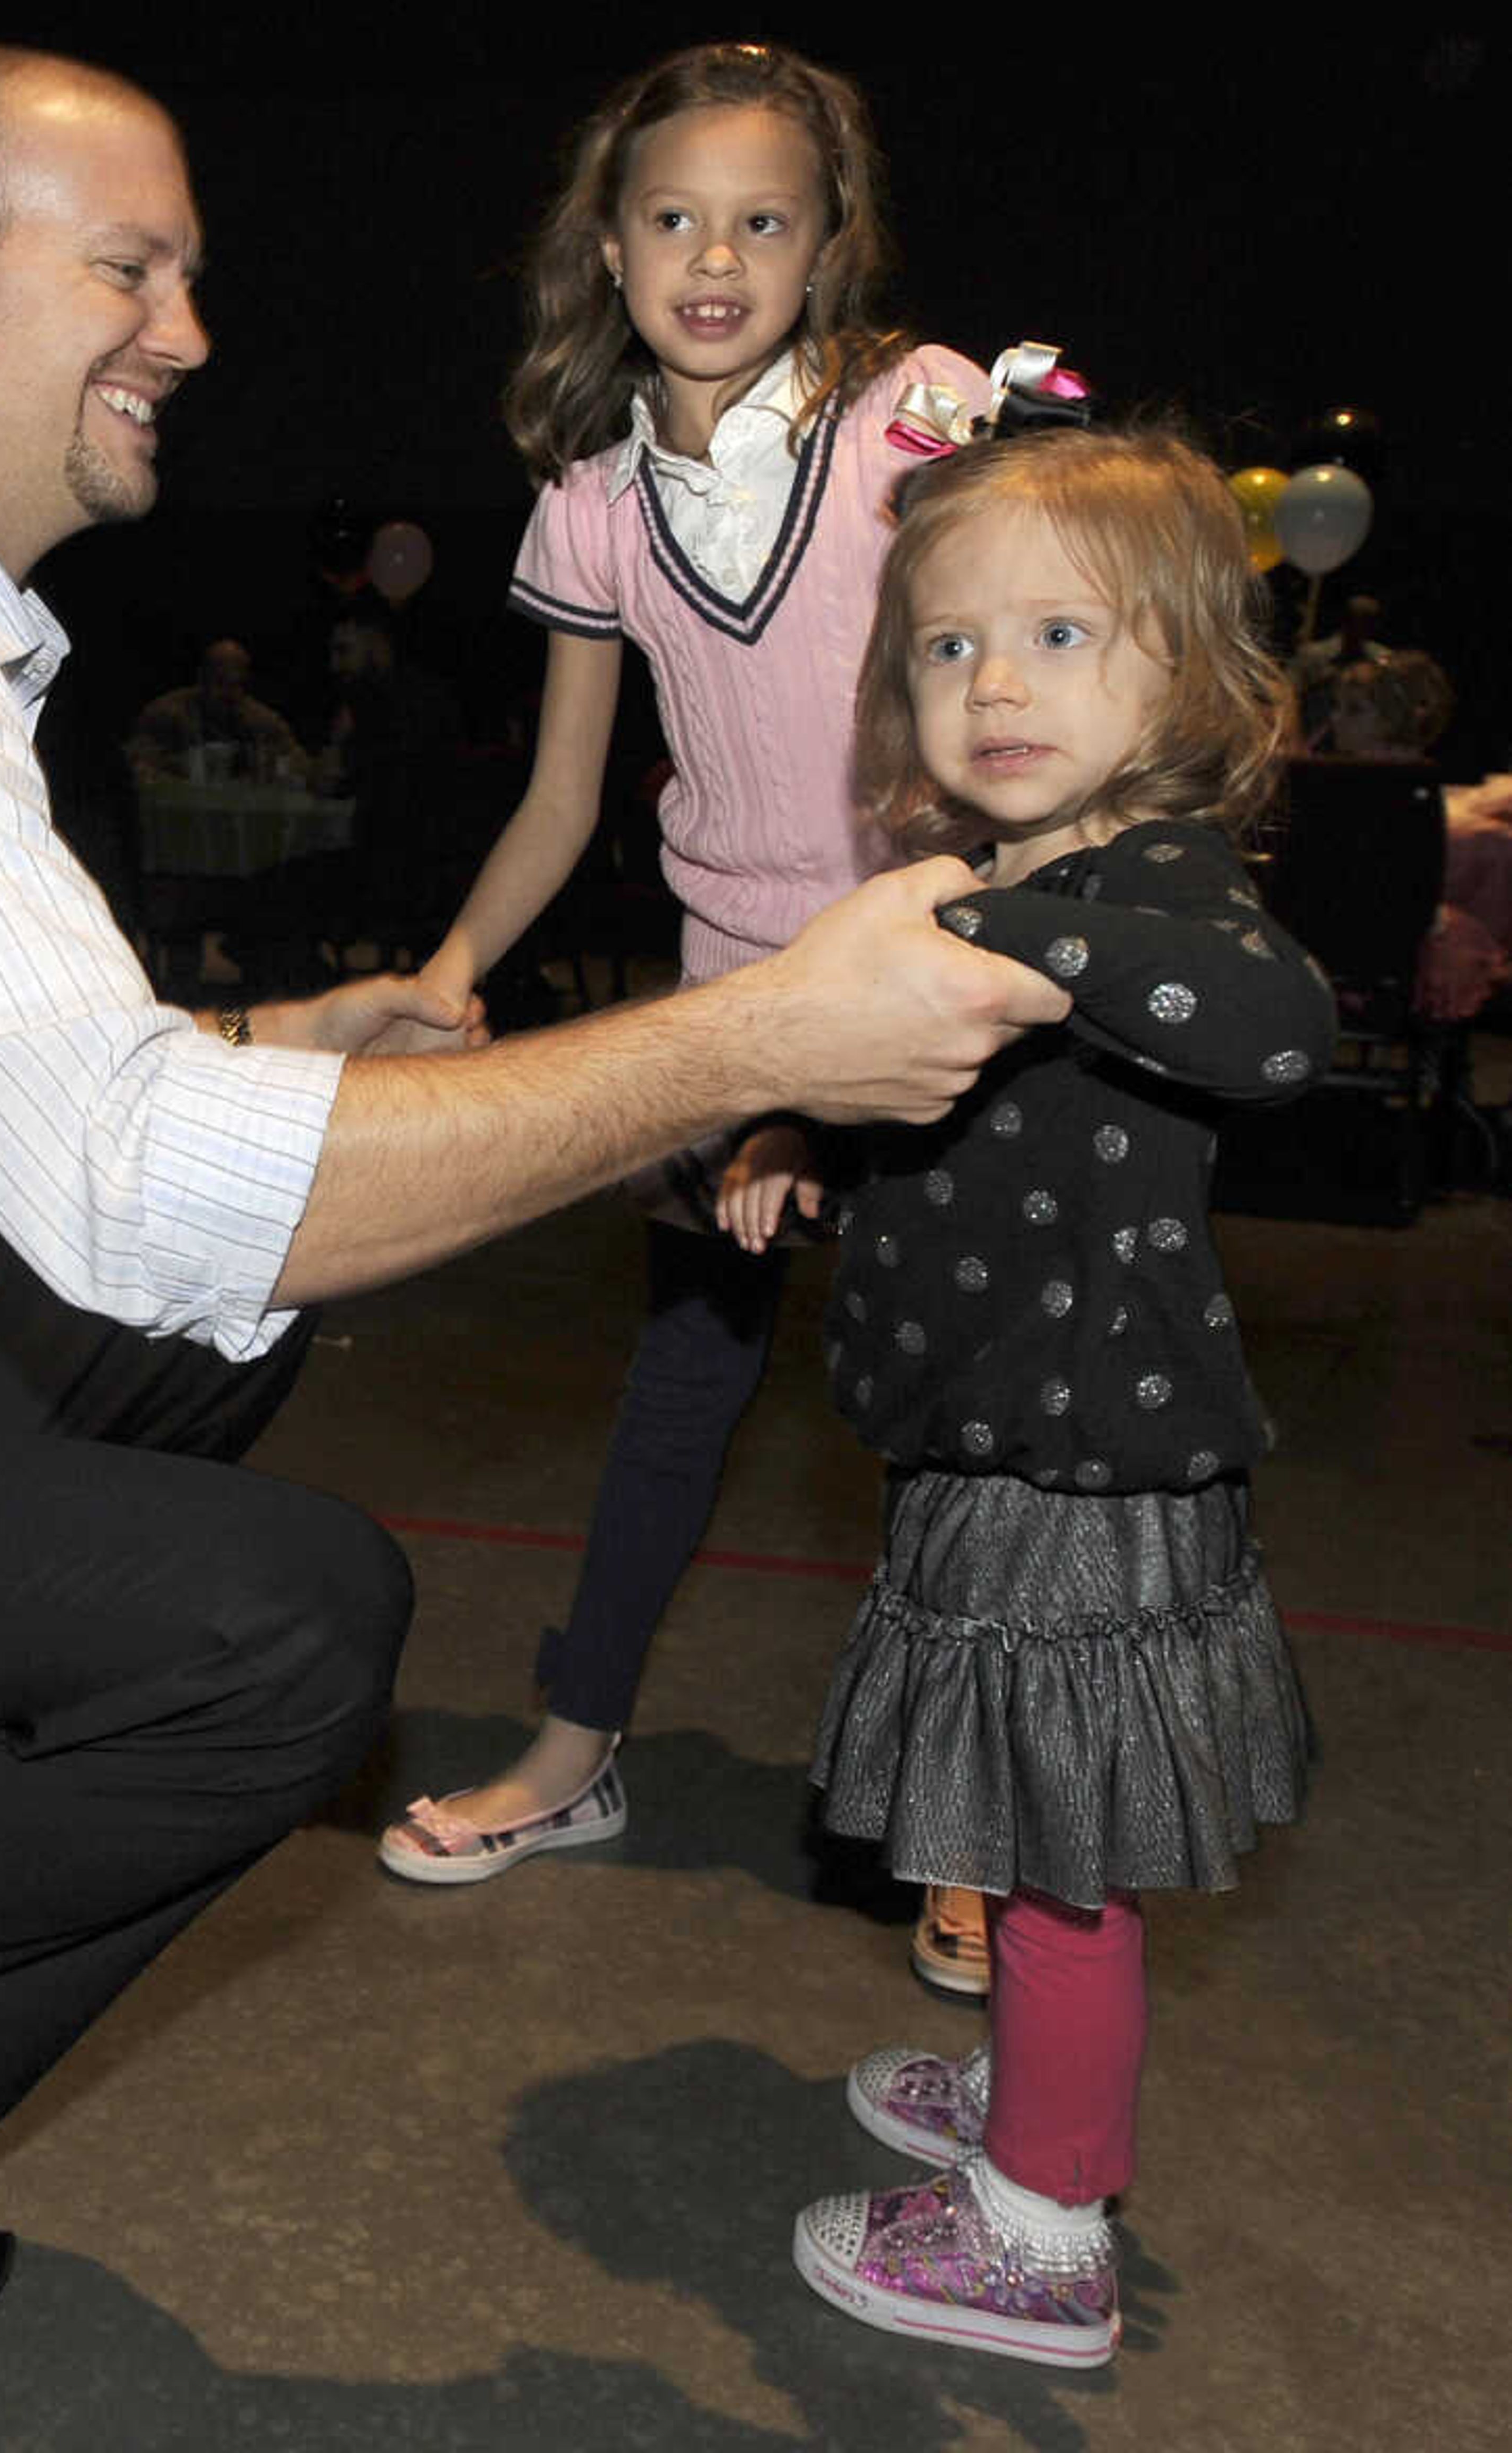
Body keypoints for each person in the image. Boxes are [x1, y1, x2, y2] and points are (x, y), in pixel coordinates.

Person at [0, 45, 1065, 2328]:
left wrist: (264, 1040)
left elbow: (7, 1084)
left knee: (211, 1328)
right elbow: (144, 1191)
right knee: (282, 1621)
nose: (196, 333)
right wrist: (748, 1043)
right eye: (131, 268)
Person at [374, 43, 993, 1974]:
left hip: (941, 967)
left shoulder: (918, 421)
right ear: (612, 246)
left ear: (828, 250)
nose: (712, 254)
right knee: (682, 1390)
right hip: (740, 998)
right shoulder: (590, 506)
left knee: (965, 1424)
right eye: (671, 217)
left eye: (761, 219)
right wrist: (451, 973)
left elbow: (1021, 719)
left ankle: (982, 1818)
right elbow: (566, 800)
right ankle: (575, 1748)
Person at [765, 428, 1332, 2369]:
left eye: (1061, 632)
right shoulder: (980, 880)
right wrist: (795, 1134)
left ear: (1175, 672)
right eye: (948, 646)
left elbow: (1277, 1030)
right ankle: (1032, 2087)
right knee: (1022, 1822)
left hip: (1088, 1465)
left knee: (1069, 1861)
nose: (995, 683)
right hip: (991, 1437)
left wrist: (1018, 927)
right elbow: (950, 1116)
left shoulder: (1157, 891)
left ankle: (1040, 2225)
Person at [127, 636, 304, 783]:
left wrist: (275, 768)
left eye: (237, 685)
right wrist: (177, 769)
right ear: (202, 680)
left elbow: (299, 763)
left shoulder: (262, 721)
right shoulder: (167, 713)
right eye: (220, 683)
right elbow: (135, 762)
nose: (230, 694)